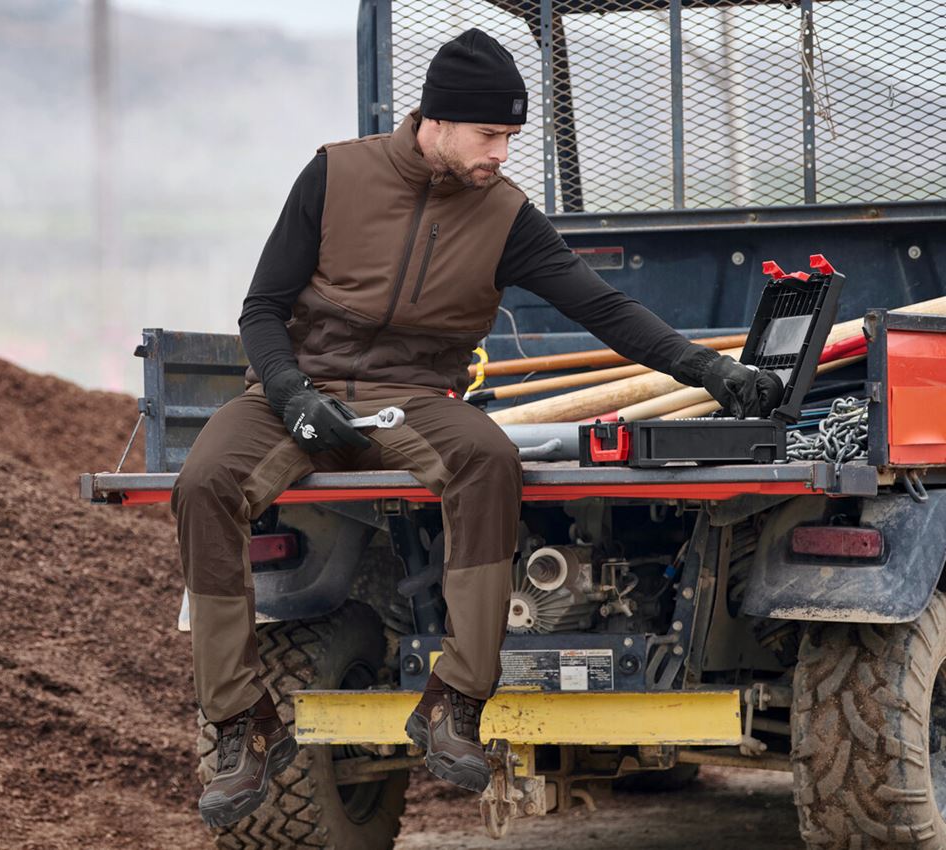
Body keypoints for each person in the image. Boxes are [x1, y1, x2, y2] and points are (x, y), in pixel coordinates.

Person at [171, 28, 782, 828]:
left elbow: (602, 307)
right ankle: (241, 724)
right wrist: (288, 394)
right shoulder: (334, 174)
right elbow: (261, 309)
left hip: (414, 396)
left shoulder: (506, 216)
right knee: (204, 483)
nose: (502, 154)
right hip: (295, 390)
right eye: (491, 135)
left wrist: (708, 370)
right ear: (439, 120)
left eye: (511, 138)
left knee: (487, 461)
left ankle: (455, 701)